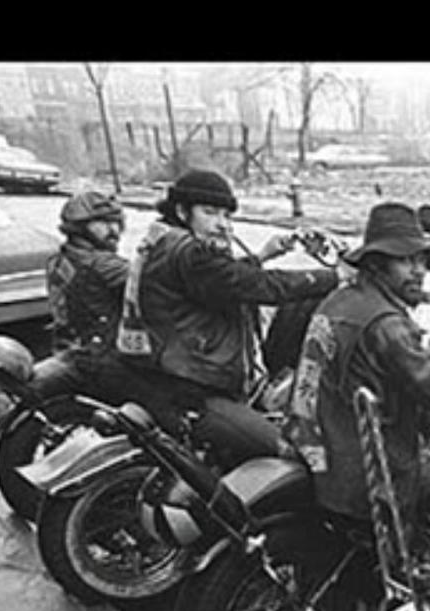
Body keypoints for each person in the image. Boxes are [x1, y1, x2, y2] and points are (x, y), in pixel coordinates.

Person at [289, 201, 430, 530]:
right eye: (405, 260)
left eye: (421, 260)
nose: (419, 271)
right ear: (377, 264)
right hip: (372, 477)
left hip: (325, 457)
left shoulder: (340, 300)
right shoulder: (385, 323)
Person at [119, 168, 341, 467]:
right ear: (182, 211)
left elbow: (216, 282)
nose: (222, 224)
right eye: (210, 213)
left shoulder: (162, 239)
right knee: (294, 453)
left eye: (226, 215)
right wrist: (333, 277)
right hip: (191, 391)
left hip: (160, 377)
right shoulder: (189, 251)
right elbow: (256, 285)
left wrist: (262, 256)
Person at [28, 189, 132, 402]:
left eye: (117, 222)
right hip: (103, 360)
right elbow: (158, 286)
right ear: (79, 227)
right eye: (103, 223)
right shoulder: (106, 266)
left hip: (67, 350)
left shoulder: (58, 260)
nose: (114, 230)